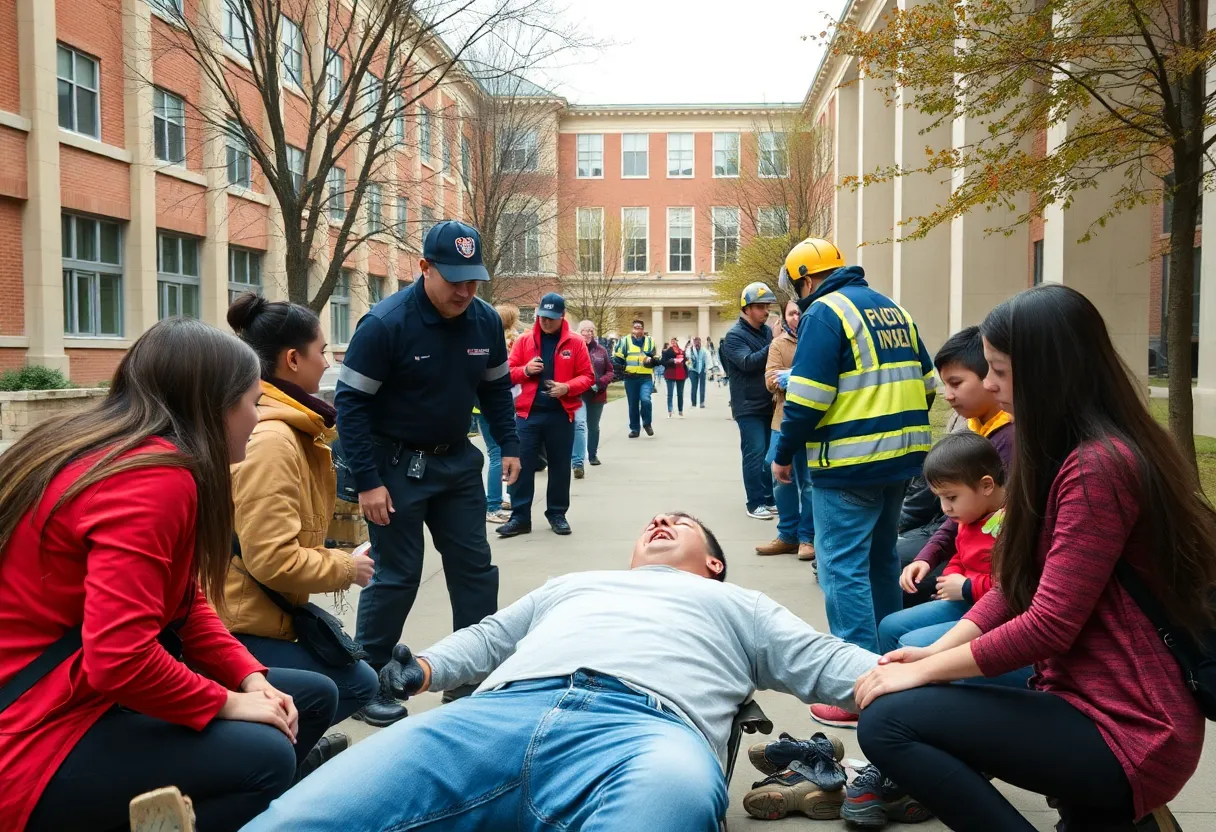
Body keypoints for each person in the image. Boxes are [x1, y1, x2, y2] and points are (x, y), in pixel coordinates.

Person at [241, 512, 880, 832]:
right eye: (654, 522)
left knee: (673, 804)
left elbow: (828, 662)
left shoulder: (736, 603)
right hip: (489, 717)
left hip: (649, 736)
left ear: (714, 564)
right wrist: (428, 667)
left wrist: (935, 666)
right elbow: (494, 637)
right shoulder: (574, 583)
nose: (661, 522)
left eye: (682, 524)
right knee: (310, 814)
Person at [853, 284, 1214, 832]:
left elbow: (1049, 624)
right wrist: (932, 657)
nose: (990, 384)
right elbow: (1017, 588)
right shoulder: (1065, 455)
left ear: (1048, 371)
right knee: (908, 683)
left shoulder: (1099, 467)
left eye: (998, 369)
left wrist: (927, 669)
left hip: (1132, 726)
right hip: (1084, 698)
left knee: (888, 723)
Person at [0, 319, 339, 832]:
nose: (260, 415)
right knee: (266, 755)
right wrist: (226, 703)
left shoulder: (117, 449)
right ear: (212, 407)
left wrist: (249, 677)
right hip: (36, 736)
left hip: (77, 696)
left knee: (312, 698)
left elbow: (185, 603)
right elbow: (119, 658)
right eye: (252, 400)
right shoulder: (154, 478)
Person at [335, 220, 521, 725]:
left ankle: (468, 674)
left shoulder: (484, 322)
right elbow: (350, 406)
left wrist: (509, 443)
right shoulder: (385, 323)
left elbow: (496, 391)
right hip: (394, 467)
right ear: (424, 268)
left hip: (457, 462)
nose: (464, 291)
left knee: (474, 569)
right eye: (454, 279)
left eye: (473, 280)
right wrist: (368, 480)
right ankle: (365, 681)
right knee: (396, 575)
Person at [771, 237, 935, 729]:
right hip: (900, 463)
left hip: (847, 465)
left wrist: (782, 453)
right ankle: (889, 668)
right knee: (881, 561)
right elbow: (927, 384)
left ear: (805, 279)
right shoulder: (892, 309)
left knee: (841, 568)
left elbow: (809, 397)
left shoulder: (825, 315)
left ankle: (855, 688)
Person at [224, 294, 380, 735]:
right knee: (350, 686)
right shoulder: (273, 438)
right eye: (323, 350)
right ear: (293, 359)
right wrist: (345, 566)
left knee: (355, 680)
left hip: (262, 612)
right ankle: (277, 765)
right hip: (238, 625)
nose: (328, 362)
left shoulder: (288, 426)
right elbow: (271, 558)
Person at [881, 435, 1026, 691]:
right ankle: (885, 692)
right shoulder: (970, 513)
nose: (945, 508)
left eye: (951, 497)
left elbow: (1015, 587)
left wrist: (967, 587)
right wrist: (950, 578)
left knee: (910, 643)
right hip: (966, 601)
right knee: (889, 626)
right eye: (940, 498)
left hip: (1000, 613)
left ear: (987, 485)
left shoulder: (1014, 524)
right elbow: (960, 552)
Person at [901, 327, 1014, 607]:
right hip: (958, 544)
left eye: (956, 383)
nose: (948, 395)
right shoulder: (969, 423)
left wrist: (962, 584)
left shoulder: (1010, 441)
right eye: (945, 385)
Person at [497, 293, 593, 539]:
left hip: (561, 414)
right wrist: (526, 370)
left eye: (551, 318)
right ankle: (520, 517)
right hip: (528, 414)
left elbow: (587, 376)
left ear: (562, 317)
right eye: (541, 317)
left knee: (560, 467)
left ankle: (557, 514)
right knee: (522, 465)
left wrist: (567, 388)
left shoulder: (575, 343)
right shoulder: (525, 341)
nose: (545, 322)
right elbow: (508, 372)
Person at [757, 298, 816, 561]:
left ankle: (807, 538)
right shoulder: (778, 345)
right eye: (792, 313)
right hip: (783, 421)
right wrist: (799, 377)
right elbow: (771, 381)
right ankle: (787, 535)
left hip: (814, 423)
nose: (797, 317)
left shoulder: (819, 339)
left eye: (801, 312)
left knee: (809, 483)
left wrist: (791, 377)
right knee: (780, 478)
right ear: (784, 318)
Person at [721, 281, 778, 521]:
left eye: (767, 306)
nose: (766, 311)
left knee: (768, 456)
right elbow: (747, 362)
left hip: (768, 402)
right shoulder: (734, 336)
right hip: (748, 406)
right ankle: (755, 502)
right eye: (760, 307)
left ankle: (768, 498)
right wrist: (775, 344)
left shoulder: (765, 332)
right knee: (754, 454)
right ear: (746, 309)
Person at [572, 319, 614, 472]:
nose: (588, 333)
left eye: (591, 330)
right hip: (579, 394)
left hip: (597, 394)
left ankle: (592, 455)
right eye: (585, 330)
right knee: (579, 424)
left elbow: (610, 371)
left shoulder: (601, 350)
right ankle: (577, 461)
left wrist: (601, 382)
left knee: (593, 427)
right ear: (579, 332)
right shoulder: (574, 348)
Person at [613, 319, 659, 437]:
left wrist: (653, 361)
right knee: (633, 404)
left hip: (645, 377)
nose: (637, 329)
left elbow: (656, 357)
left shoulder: (650, 341)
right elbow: (618, 358)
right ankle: (634, 429)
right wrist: (619, 369)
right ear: (632, 329)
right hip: (630, 377)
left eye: (639, 327)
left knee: (646, 400)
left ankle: (647, 424)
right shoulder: (624, 341)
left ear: (643, 329)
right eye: (635, 327)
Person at [661, 336, 689, 417]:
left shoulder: (681, 351)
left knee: (680, 393)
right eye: (672, 341)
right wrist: (672, 361)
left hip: (681, 374)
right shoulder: (667, 352)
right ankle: (670, 410)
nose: (673, 343)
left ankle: (680, 410)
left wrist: (686, 361)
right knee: (670, 394)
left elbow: (685, 360)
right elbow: (663, 361)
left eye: (674, 341)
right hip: (670, 373)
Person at [687, 336, 708, 408]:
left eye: (699, 341)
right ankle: (693, 403)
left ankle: (702, 402)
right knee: (694, 387)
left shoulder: (704, 350)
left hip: (702, 370)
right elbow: (687, 359)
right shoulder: (690, 350)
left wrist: (707, 368)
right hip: (693, 370)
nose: (698, 343)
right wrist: (689, 367)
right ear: (694, 342)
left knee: (702, 387)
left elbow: (707, 359)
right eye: (696, 341)